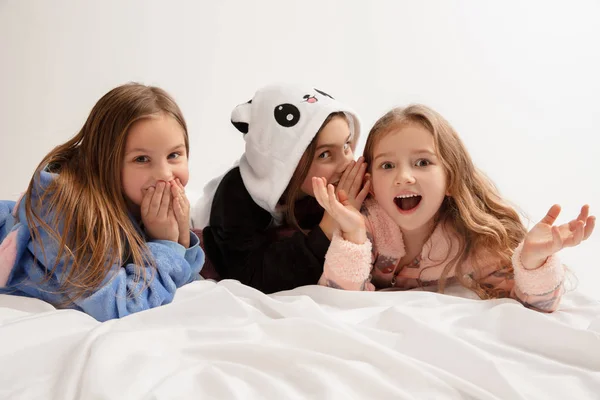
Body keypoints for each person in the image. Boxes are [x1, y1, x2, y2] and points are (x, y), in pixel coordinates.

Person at [313, 104, 595, 312]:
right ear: (371, 183)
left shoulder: (475, 242)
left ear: (451, 178)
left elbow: (540, 306)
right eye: (388, 165)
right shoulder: (364, 225)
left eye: (422, 162)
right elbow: (338, 302)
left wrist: (534, 261)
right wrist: (353, 236)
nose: (404, 176)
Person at [0, 83, 204, 321]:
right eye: (141, 159)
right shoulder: (68, 211)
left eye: (174, 155)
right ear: (105, 162)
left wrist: (179, 238)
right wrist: (165, 244)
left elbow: (183, 282)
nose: (165, 174)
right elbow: (121, 306)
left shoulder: (140, 199)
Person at [197, 84, 367, 293]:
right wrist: (328, 226)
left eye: (346, 145)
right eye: (324, 154)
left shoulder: (333, 184)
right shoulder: (236, 195)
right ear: (286, 163)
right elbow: (249, 278)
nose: (346, 163)